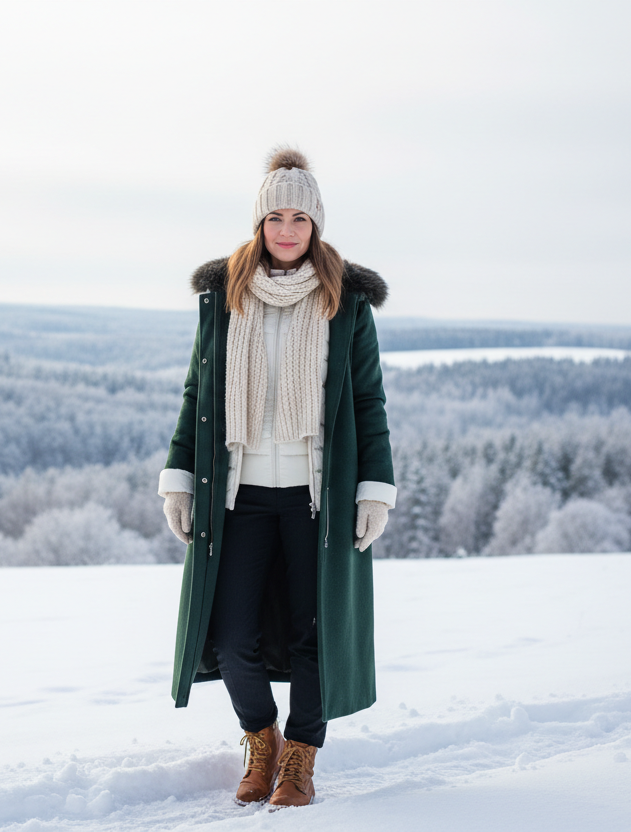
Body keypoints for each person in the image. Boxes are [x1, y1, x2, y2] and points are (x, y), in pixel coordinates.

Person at [158, 148, 396, 809]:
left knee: (312, 635)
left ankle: (300, 758)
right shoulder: (225, 299)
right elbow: (196, 394)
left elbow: (369, 403)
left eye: (299, 217)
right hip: (241, 498)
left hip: (316, 497)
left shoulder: (345, 304)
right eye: (275, 217)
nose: (287, 230)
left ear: (315, 224)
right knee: (233, 636)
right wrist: (180, 476)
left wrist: (373, 489)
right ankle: (260, 739)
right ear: (259, 222)